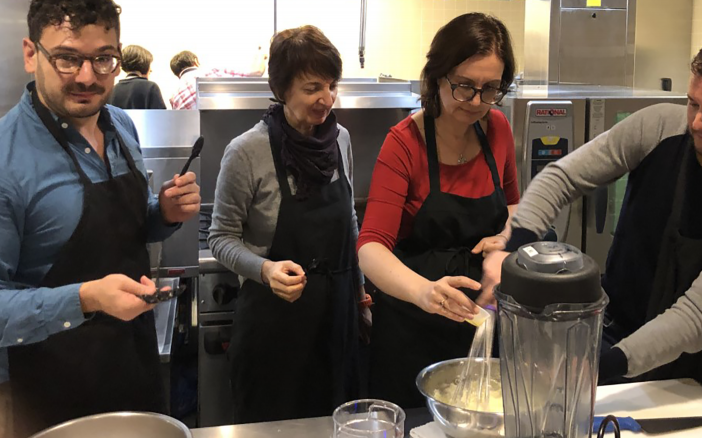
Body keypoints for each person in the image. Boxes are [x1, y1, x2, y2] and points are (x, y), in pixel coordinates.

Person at [482, 28, 702, 384]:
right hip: (607, 329)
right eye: (693, 103)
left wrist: (600, 369)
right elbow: (561, 177)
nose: (696, 122)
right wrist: (509, 249)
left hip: (687, 375)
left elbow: (696, 318)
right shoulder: (659, 126)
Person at [0, 0, 201, 435]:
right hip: (50, 392)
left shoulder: (120, 126)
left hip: (135, 367)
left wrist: (162, 213)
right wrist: (86, 297)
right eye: (68, 58)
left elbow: (128, 225)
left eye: (103, 59)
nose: (88, 77)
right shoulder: (5, 160)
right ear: (31, 53)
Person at [357, 13, 520, 408]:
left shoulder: (497, 128)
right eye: (464, 86)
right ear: (437, 77)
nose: (477, 101)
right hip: (413, 328)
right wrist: (425, 292)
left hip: (482, 323)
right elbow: (370, 249)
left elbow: (515, 205)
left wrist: (505, 239)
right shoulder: (404, 144)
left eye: (491, 89)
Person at [209, 25, 366, 423]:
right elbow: (220, 237)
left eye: (332, 85)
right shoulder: (246, 151)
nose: (326, 99)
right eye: (313, 87)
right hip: (275, 327)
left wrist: (361, 293)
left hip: (336, 319)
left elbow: (348, 219)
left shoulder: (341, 139)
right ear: (281, 89)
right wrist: (264, 269)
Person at [168, 48, 266, 110]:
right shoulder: (211, 72)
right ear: (196, 62)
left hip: (196, 141)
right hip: (224, 132)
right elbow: (257, 72)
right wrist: (261, 54)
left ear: (177, 74)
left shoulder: (174, 97)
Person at [108, 44, 167, 109]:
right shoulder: (150, 87)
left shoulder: (113, 89)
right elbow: (160, 116)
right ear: (145, 63)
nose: (151, 70)